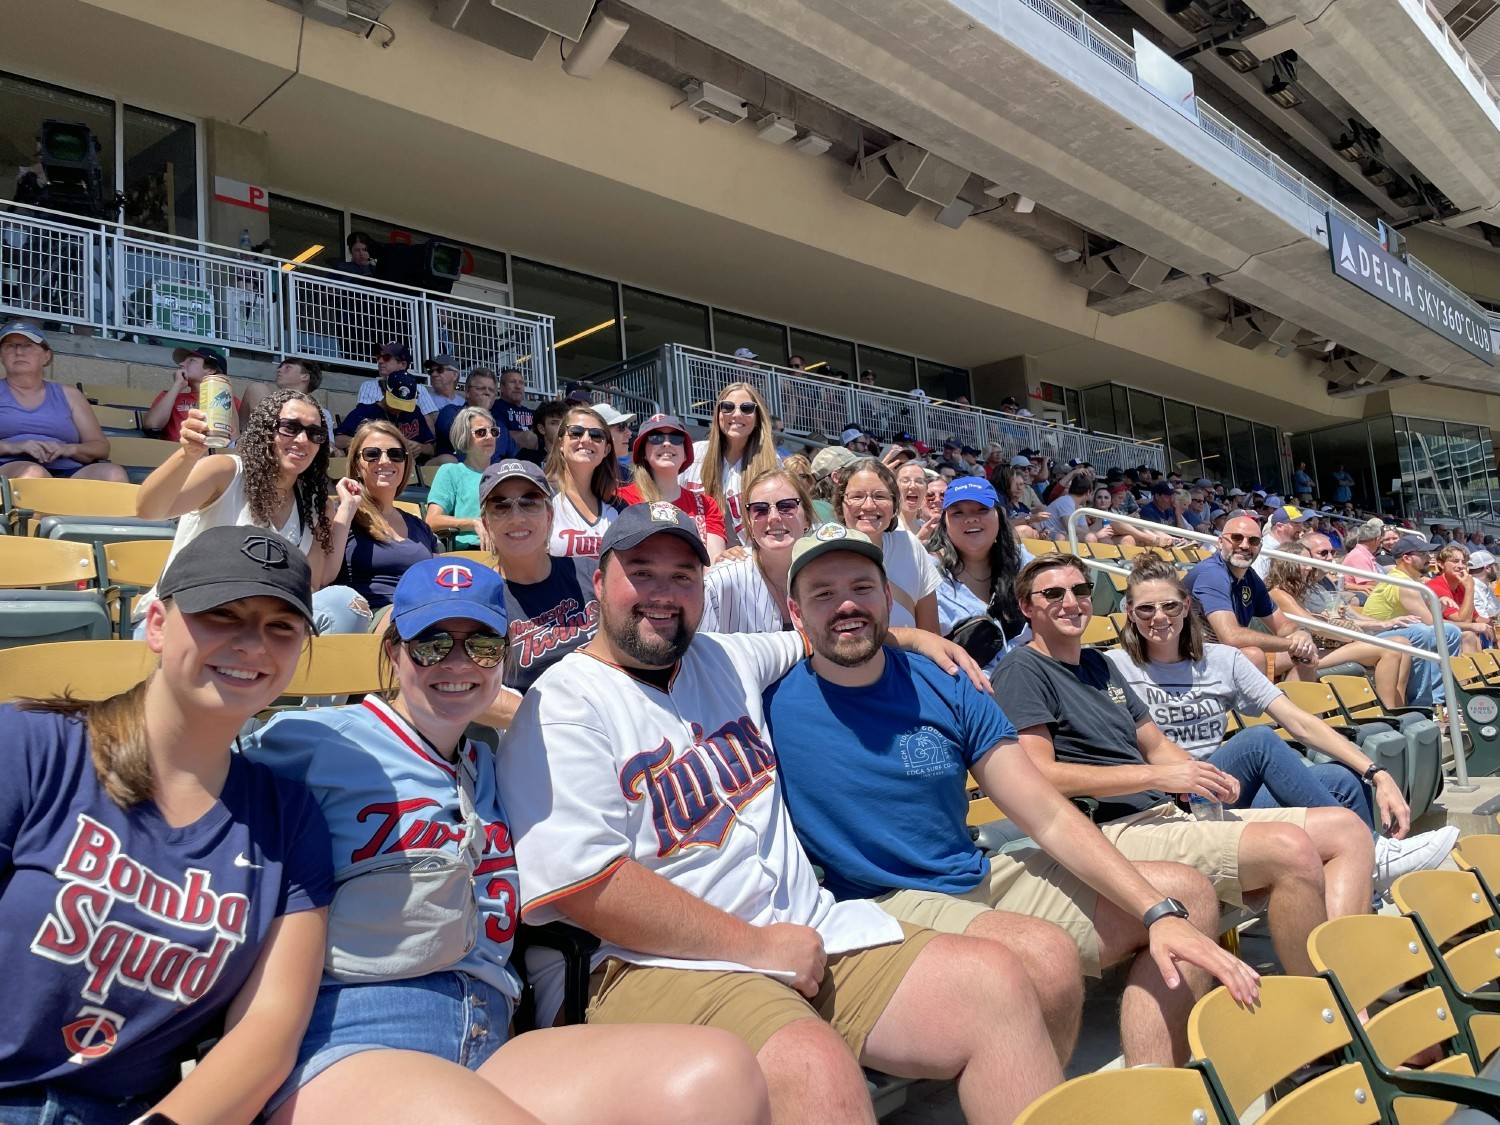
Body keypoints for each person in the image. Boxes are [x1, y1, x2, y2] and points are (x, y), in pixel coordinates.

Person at [499, 504, 1068, 1125]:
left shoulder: (723, 656)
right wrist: (756, 946)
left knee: (996, 982)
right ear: (599, 582)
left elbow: (825, 627)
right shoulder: (560, 704)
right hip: (644, 962)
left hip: (802, 929)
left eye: (684, 576)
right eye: (643, 572)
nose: (664, 594)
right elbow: (590, 886)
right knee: (812, 1065)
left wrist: (914, 636)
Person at [242, 559, 772, 1125]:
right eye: (431, 643)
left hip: (491, 1036)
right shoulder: (316, 743)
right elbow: (176, 793)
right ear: (394, 651)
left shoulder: (496, 768)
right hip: (357, 1039)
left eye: (483, 646)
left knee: (720, 1075)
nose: (457, 663)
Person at [766, 528, 1260, 1067]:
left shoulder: (948, 681)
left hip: (973, 872)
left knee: (1183, 897)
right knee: (1045, 957)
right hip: (881, 898)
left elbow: (1044, 812)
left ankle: (1154, 1087)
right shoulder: (767, 702)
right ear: (795, 613)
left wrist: (1155, 911)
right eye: (822, 593)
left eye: (862, 587)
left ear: (888, 598)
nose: (845, 605)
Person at [0, 524, 333, 1124]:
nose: (253, 644)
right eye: (222, 614)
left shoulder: (288, 818)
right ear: (156, 623)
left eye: (281, 627)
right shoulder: (30, 746)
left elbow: (267, 1031)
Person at [992, 554, 1376, 978]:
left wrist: (1204, 774)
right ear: (1027, 607)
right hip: (1110, 829)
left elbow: (1156, 746)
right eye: (1053, 594)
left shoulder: (1098, 665)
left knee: (1347, 829)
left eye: (1081, 590)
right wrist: (1157, 776)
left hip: (1164, 815)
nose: (1071, 602)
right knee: (1291, 849)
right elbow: (1040, 777)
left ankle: (1348, 974)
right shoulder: (1022, 670)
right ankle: (1326, 1001)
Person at [1110, 554, 1455, 895]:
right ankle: (1375, 853)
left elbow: (1297, 721)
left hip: (1222, 793)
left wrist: (1376, 773)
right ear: (1130, 612)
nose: (1159, 617)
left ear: (1186, 607)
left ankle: (1363, 899)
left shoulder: (1222, 661)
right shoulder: (1114, 667)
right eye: (1146, 609)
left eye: (1169, 606)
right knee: (1258, 740)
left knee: (1341, 779)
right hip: (1174, 798)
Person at [135, 389, 372, 636]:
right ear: (265, 429)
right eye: (290, 427)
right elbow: (148, 510)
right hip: (191, 614)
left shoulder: (314, 503)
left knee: (344, 603)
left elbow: (314, 582)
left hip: (260, 622)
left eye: (315, 434)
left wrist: (346, 508)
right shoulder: (226, 472)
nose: (303, 440)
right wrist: (187, 454)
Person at [1265, 539, 1414, 709]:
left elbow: (1312, 621)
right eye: (1303, 563)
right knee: (1390, 649)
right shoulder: (1278, 593)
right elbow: (1315, 627)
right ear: (1288, 565)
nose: (1309, 567)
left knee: (1403, 645)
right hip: (1293, 654)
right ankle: (1388, 711)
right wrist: (1349, 635)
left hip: (1312, 649)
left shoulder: (1294, 593)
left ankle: (1400, 708)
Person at [1183, 515, 1320, 682]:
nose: (1244, 545)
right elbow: (1231, 637)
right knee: (1253, 656)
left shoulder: (1250, 578)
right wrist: (1290, 644)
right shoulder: (1212, 574)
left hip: (1222, 655)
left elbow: (1283, 625)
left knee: (1307, 652)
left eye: (1253, 541)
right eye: (1236, 538)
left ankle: (1292, 707)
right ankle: (1261, 708)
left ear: (1260, 547)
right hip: (1189, 657)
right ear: (1220, 542)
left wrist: (1300, 634)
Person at [0, 320, 127, 481]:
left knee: (113, 473)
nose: (18, 352)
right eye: (10, 346)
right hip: (10, 467)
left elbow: (100, 447)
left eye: (28, 345)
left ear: (46, 356)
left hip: (68, 469)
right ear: (2, 356)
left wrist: (67, 449)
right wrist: (15, 447)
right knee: (34, 473)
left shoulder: (69, 394)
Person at [927, 477, 1029, 674]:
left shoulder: (1023, 563)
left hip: (1029, 681)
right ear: (945, 522)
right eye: (958, 512)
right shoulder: (927, 573)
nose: (971, 519)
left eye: (982, 510)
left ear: (999, 515)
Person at [337, 420, 438, 612]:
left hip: (420, 618)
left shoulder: (421, 527)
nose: (385, 461)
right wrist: (347, 509)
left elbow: (437, 583)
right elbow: (322, 577)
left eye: (395, 454)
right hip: (367, 618)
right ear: (357, 465)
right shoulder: (342, 513)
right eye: (372, 454)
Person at [701, 467, 814, 633]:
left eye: (786, 506)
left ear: (807, 518)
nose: (773, 517)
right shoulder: (720, 582)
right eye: (760, 509)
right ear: (749, 522)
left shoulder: (829, 575)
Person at [835, 457, 941, 632]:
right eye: (857, 496)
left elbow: (931, 634)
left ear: (894, 504)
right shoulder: (824, 555)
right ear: (841, 503)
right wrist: (911, 639)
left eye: (880, 496)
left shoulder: (910, 546)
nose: (869, 505)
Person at [1361, 534, 1469, 704]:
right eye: (1423, 554)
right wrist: (1474, 627)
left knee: (1450, 632)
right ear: (1407, 558)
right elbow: (1431, 624)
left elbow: (1430, 619)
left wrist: (1439, 605)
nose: (1429, 558)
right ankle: (1422, 702)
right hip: (1374, 635)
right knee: (1424, 632)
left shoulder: (1413, 581)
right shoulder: (1404, 584)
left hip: (1394, 632)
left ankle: (1439, 698)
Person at [680, 381, 780, 546]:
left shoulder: (771, 462)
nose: (736, 414)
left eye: (747, 408)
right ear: (718, 414)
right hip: (696, 556)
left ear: (757, 418)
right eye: (727, 407)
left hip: (749, 561)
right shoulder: (695, 454)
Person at [616, 414, 727, 561]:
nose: (667, 443)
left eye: (676, 438)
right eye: (656, 437)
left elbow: (715, 563)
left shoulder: (706, 505)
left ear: (685, 454)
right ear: (643, 452)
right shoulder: (619, 499)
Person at [545, 403, 618, 559]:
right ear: (560, 444)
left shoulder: (617, 508)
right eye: (576, 432)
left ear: (606, 450)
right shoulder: (542, 496)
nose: (586, 440)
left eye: (596, 435)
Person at [425, 407, 500, 551]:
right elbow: (432, 520)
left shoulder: (503, 474)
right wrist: (473, 523)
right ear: (464, 437)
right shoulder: (451, 472)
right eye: (481, 432)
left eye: (493, 431)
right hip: (471, 551)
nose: (489, 436)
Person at [144, 345, 239, 445]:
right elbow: (152, 425)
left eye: (191, 360)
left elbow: (234, 438)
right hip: (178, 453)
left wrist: (223, 387)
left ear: (210, 370)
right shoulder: (170, 397)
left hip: (217, 451)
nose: (181, 364)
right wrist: (177, 385)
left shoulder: (232, 400)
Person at [336, 370, 436, 458]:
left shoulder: (414, 412)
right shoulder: (365, 411)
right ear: (384, 392)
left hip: (413, 467)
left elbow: (431, 449)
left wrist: (419, 447)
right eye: (396, 403)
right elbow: (338, 440)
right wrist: (374, 442)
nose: (399, 409)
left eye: (404, 404)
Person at [430, 368, 519, 466]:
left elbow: (517, 457)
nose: (487, 393)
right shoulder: (451, 412)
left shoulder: (499, 426)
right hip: (461, 476)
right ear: (467, 392)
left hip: (494, 478)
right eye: (481, 388)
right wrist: (481, 411)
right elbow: (464, 438)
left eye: (492, 390)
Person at [241, 357, 335, 440]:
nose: (279, 370)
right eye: (280, 367)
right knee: (258, 388)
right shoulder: (260, 395)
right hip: (258, 446)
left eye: (288, 367)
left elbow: (329, 445)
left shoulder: (322, 414)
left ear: (305, 376)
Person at [1428, 544, 1495, 648]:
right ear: (1441, 564)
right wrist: (1470, 588)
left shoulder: (1461, 587)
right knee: (1470, 635)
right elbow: (1464, 621)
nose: (1461, 566)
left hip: (1454, 634)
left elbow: (1477, 618)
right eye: (1455, 561)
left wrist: (1490, 625)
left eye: (1463, 562)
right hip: (1437, 637)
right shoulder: (1436, 586)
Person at [354, 343, 441, 417]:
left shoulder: (420, 389)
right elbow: (362, 419)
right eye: (379, 357)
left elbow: (431, 424)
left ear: (403, 365)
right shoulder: (368, 386)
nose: (380, 361)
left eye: (386, 357)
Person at [420, 353, 464, 433]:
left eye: (440, 370)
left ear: (454, 375)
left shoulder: (464, 403)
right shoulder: (425, 400)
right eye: (431, 371)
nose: (433, 374)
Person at [593, 403, 636, 484]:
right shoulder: (583, 477)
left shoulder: (625, 474)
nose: (629, 432)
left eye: (626, 425)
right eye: (621, 427)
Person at [496, 366, 536, 452]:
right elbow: (501, 436)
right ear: (501, 387)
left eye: (521, 382)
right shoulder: (496, 408)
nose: (518, 386)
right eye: (512, 382)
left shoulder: (531, 413)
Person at [520, 398, 567, 468]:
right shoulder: (528, 458)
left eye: (564, 423)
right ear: (542, 429)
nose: (561, 427)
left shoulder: (575, 457)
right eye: (554, 423)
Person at [894, 458, 928, 536]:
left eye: (919, 481)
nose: (913, 486)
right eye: (905, 481)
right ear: (895, 488)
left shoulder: (928, 530)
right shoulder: (885, 528)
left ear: (926, 489)